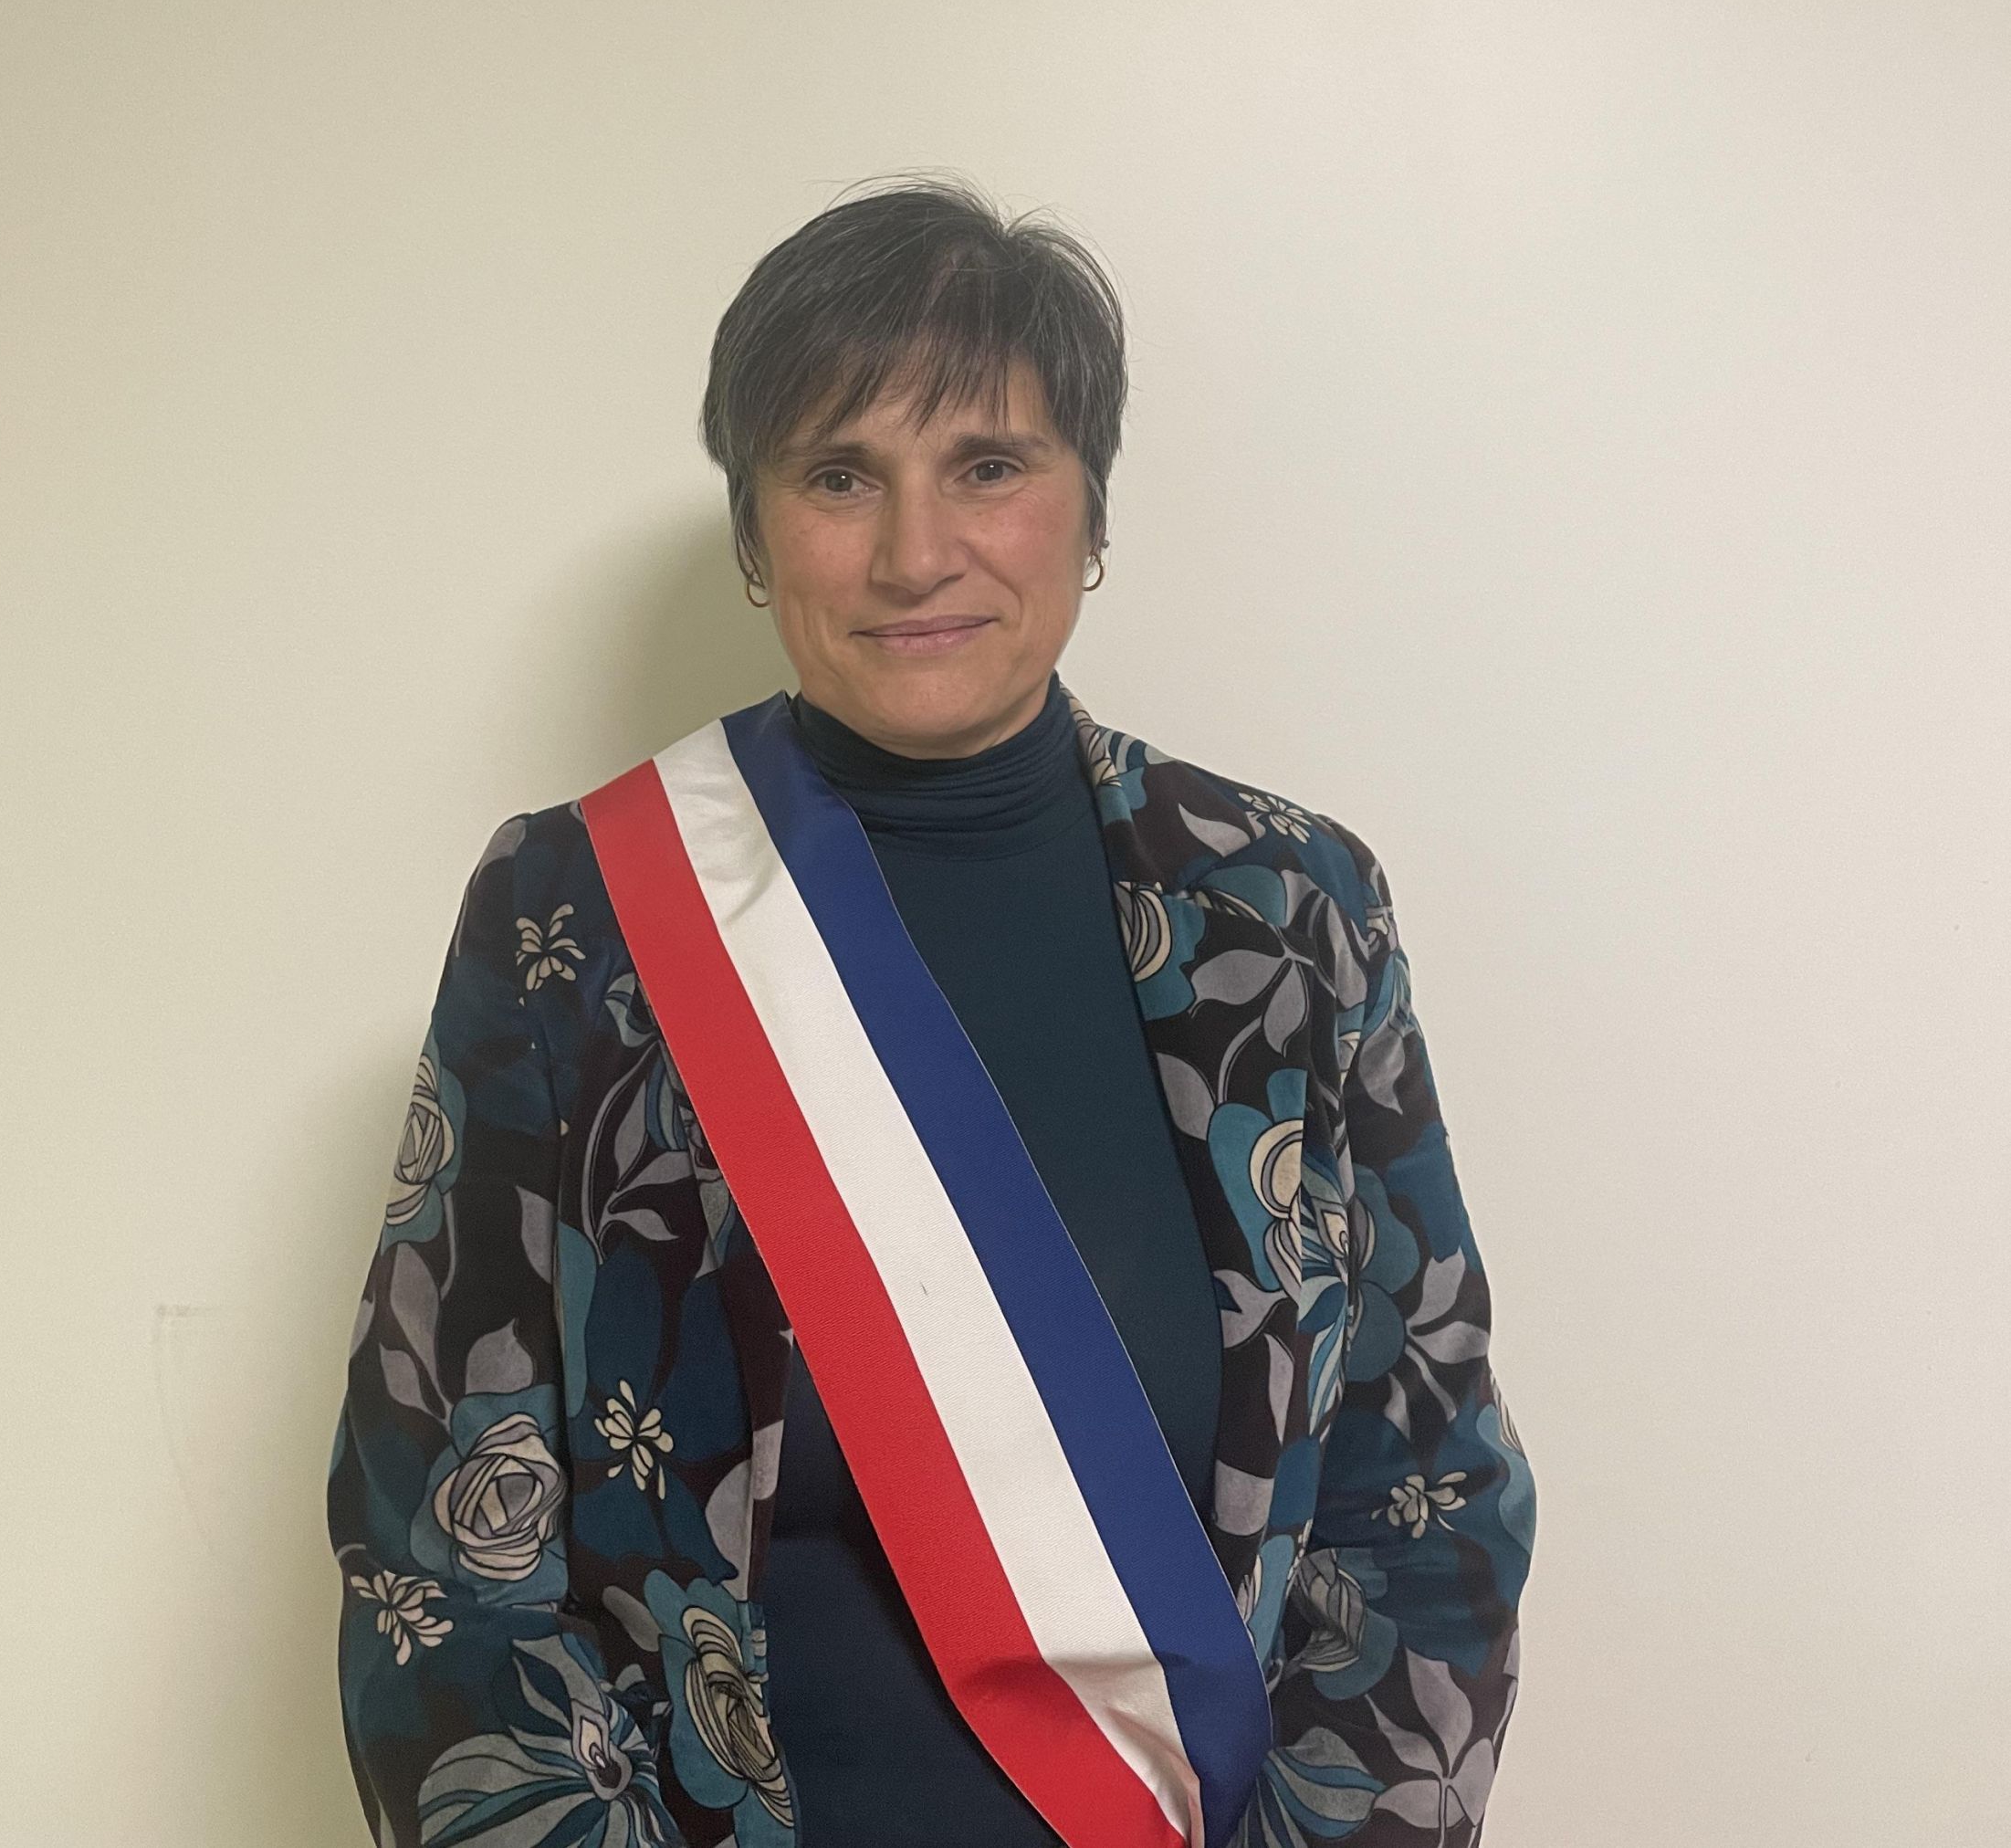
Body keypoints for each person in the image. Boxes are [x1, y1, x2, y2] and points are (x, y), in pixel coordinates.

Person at [327, 177, 1535, 1848]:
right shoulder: (576, 917)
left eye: (988, 464)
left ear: (1089, 510)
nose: (913, 552)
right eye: (838, 474)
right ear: (753, 534)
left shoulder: (1290, 913)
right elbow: (444, 1556)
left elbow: (1426, 1499)